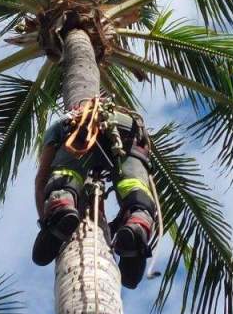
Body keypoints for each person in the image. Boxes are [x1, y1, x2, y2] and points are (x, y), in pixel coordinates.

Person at [31, 103, 157, 289]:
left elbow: (41, 178)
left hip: (81, 128)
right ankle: (138, 222)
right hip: (127, 132)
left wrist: (45, 222)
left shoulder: (61, 123)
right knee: (134, 186)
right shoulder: (126, 119)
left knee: (67, 173)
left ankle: (61, 206)